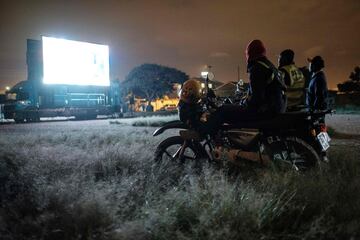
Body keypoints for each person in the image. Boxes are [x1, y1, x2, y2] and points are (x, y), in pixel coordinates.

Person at [178, 40, 287, 135]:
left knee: (223, 110)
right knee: (231, 107)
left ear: (250, 53)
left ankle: (204, 131)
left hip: (264, 111)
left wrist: (245, 104)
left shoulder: (257, 68)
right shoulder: (268, 65)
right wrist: (244, 100)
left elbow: (257, 98)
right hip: (275, 108)